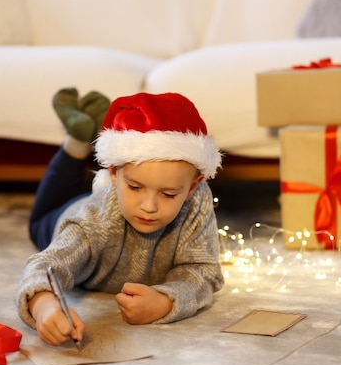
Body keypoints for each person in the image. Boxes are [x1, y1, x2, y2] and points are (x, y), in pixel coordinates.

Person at [15, 89, 224, 346]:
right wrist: (44, 306)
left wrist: (166, 301)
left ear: (193, 187)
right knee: (40, 218)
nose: (149, 206)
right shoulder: (94, 221)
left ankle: (89, 139)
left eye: (168, 194)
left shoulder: (197, 202)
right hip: (66, 215)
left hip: (107, 200)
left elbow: (204, 271)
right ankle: (76, 142)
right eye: (135, 188)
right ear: (113, 174)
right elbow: (44, 265)